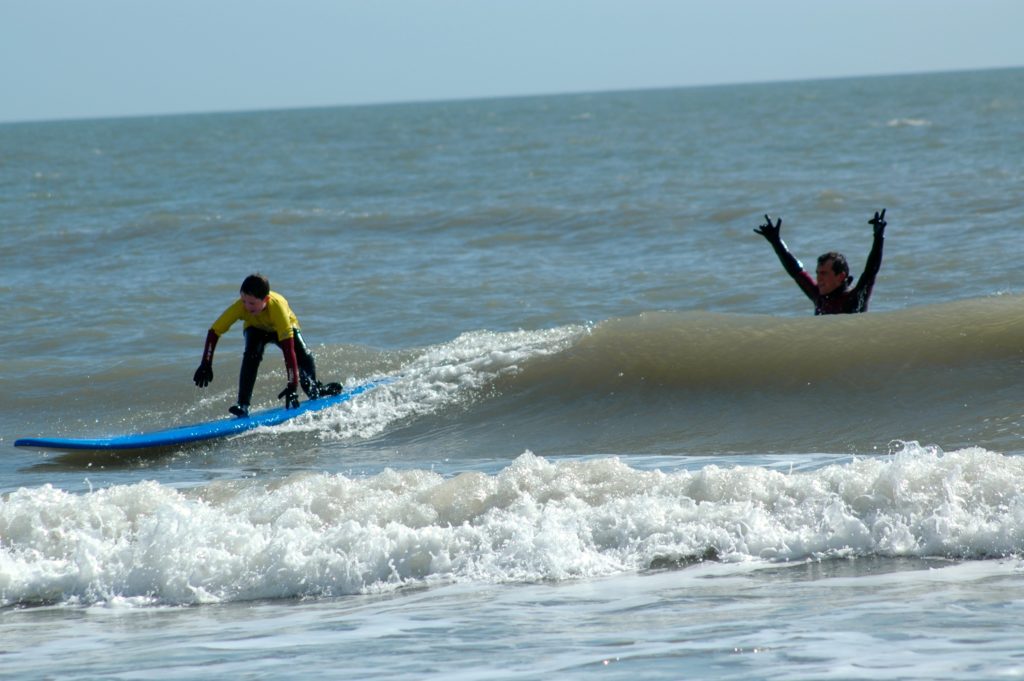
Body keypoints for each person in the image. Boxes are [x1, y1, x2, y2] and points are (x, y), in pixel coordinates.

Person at [193, 273, 341, 417]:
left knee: (304, 356)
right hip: (255, 328)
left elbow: (289, 352)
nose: (246, 306)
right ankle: (243, 405)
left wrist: (292, 387)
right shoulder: (241, 307)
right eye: (243, 300)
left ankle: (316, 389)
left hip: (281, 329)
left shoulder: (278, 307)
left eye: (252, 303)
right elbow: (214, 331)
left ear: (266, 299)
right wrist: (206, 363)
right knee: (251, 356)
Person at [754, 209, 887, 315]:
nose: (818, 278)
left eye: (824, 273)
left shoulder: (854, 299)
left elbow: (870, 272)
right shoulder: (819, 297)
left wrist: (878, 237)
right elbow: (796, 271)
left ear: (840, 276)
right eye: (817, 273)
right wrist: (776, 242)